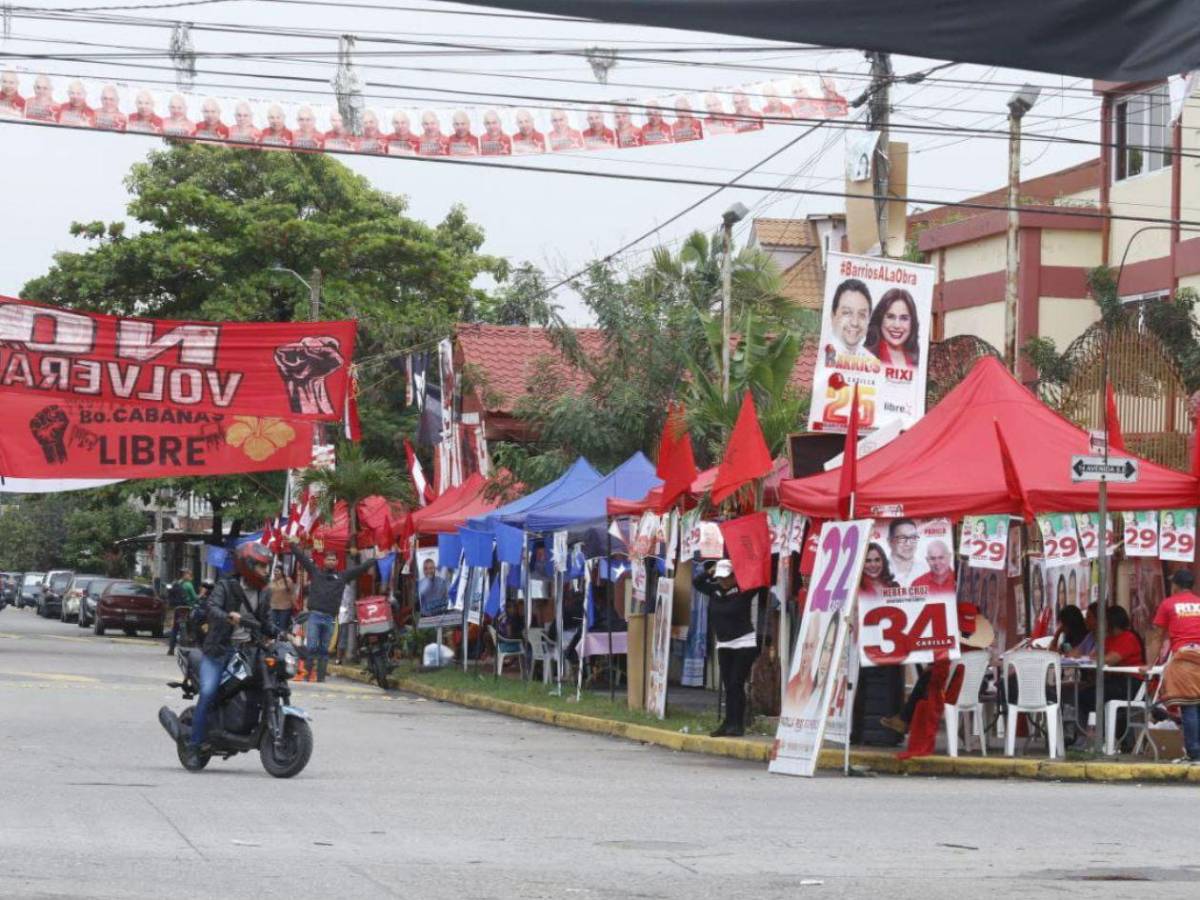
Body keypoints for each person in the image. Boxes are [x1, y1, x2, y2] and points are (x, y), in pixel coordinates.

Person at [184, 542, 273, 764]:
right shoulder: (226, 586)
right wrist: (227, 616)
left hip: (249, 652)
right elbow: (211, 608)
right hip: (220, 651)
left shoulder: (264, 592)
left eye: (266, 567)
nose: (266, 571)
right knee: (208, 692)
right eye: (262, 567)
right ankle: (194, 747)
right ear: (248, 565)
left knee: (266, 684)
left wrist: (286, 634)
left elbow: (267, 623)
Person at [288, 537, 376, 682]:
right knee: (311, 648)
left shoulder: (342, 576)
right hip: (315, 616)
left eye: (333, 559)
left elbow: (360, 569)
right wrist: (291, 544)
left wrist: (374, 559)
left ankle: (320, 680)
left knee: (324, 650)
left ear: (337, 562)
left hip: (330, 618)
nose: (330, 561)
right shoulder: (315, 572)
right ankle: (306, 679)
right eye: (328, 559)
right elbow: (302, 558)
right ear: (324, 561)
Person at [693, 559, 758, 737]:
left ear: (734, 576)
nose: (722, 581)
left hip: (744, 643)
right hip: (724, 644)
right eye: (720, 577)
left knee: (736, 683)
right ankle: (728, 722)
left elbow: (759, 582)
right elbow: (696, 583)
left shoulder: (743, 591)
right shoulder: (715, 590)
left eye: (726, 577)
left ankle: (737, 724)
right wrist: (709, 572)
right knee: (728, 685)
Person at [1144, 570, 1200, 761]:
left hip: (1185, 658)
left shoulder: (1168, 604)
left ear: (1175, 585)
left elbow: (1157, 636)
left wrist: (1149, 665)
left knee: (1189, 705)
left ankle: (1194, 754)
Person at [1078, 605, 1145, 722]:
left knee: (1088, 696)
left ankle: (1100, 730)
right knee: (1084, 692)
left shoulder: (1128, 638)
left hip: (1131, 683)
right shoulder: (1109, 639)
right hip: (1116, 681)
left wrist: (1092, 658)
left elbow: (1110, 659)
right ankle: (1097, 729)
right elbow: (1093, 656)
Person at [864, 288, 921, 370]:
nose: (897, 325)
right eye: (890, 317)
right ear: (880, 319)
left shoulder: (919, 359)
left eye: (904, 318)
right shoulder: (865, 357)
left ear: (912, 323)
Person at [828, 278, 872, 357]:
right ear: (833, 316)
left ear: (868, 320)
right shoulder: (818, 357)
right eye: (847, 313)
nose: (854, 322)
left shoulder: (874, 364)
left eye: (862, 315)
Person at [166, 569, 199, 654]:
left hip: (177, 608)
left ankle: (171, 649)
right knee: (190, 627)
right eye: (190, 575)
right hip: (187, 608)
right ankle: (188, 647)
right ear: (186, 575)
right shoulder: (188, 585)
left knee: (175, 628)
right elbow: (195, 598)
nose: (191, 577)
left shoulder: (178, 583)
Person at [886, 518, 923, 587]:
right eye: (902, 538)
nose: (908, 543)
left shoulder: (926, 569)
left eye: (913, 537)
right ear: (889, 541)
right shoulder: (879, 571)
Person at [268, 568, 298, 636]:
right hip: (273, 607)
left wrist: (295, 605)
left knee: (282, 626)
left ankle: (281, 642)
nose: (275, 573)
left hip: (285, 608)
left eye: (277, 571)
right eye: (274, 571)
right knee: (273, 626)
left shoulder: (288, 581)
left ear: (282, 572)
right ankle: (274, 641)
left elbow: (292, 593)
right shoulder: (272, 581)